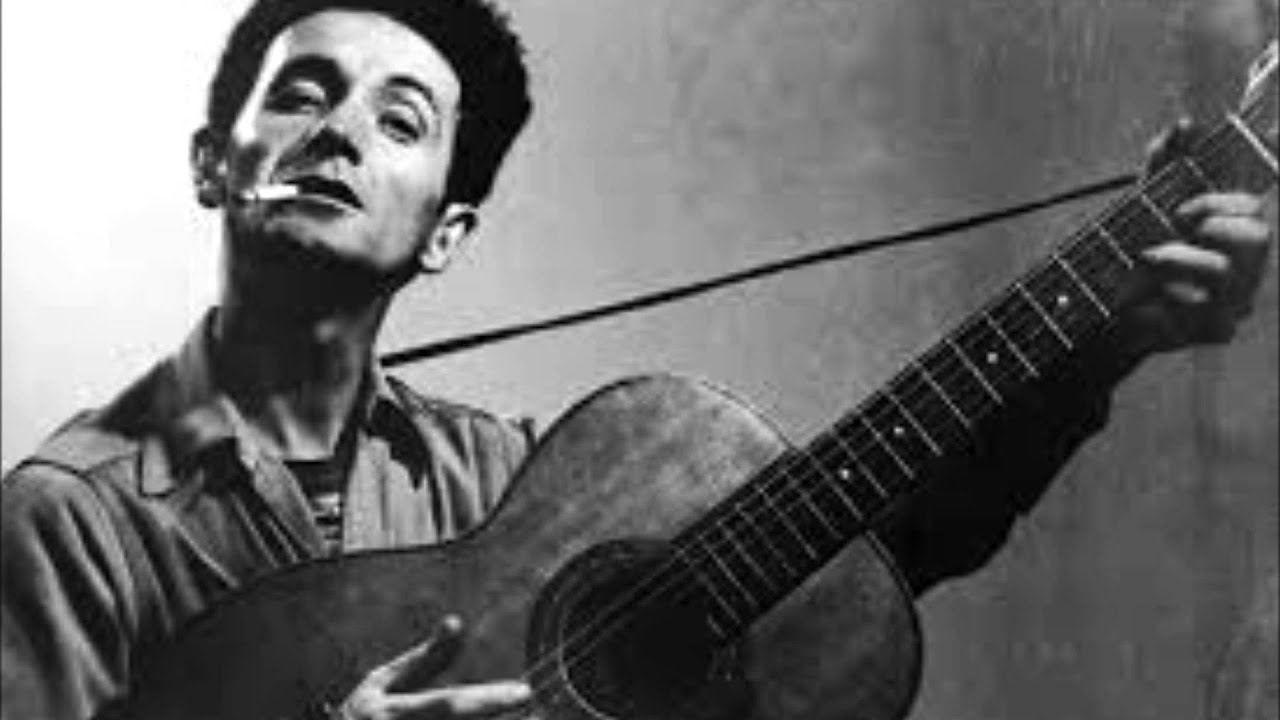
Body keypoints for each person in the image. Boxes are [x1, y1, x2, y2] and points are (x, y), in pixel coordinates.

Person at [1, 1, 1273, 719]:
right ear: (211, 164)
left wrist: (1105, 340)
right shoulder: (70, 518)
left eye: (400, 119)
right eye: (299, 93)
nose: (338, 131)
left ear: (446, 231)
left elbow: (864, 555)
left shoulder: (502, 474)